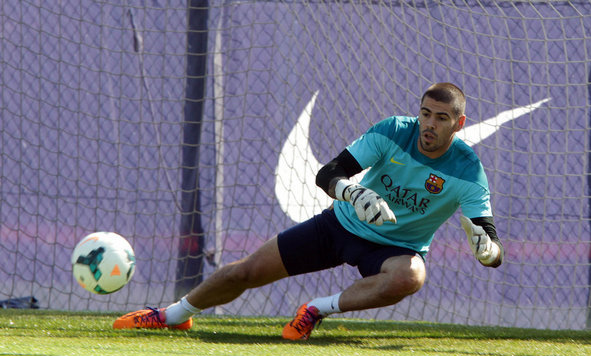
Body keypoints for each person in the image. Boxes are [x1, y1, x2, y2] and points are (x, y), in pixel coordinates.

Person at [113, 82, 504, 339]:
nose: (429, 125)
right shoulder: (394, 131)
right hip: (340, 225)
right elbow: (329, 173)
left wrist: (488, 251)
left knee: (412, 277)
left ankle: (315, 310)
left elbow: (490, 243)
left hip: (395, 249)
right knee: (246, 271)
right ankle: (173, 314)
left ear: (459, 123)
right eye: (425, 113)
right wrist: (352, 193)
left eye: (441, 118)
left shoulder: (468, 170)